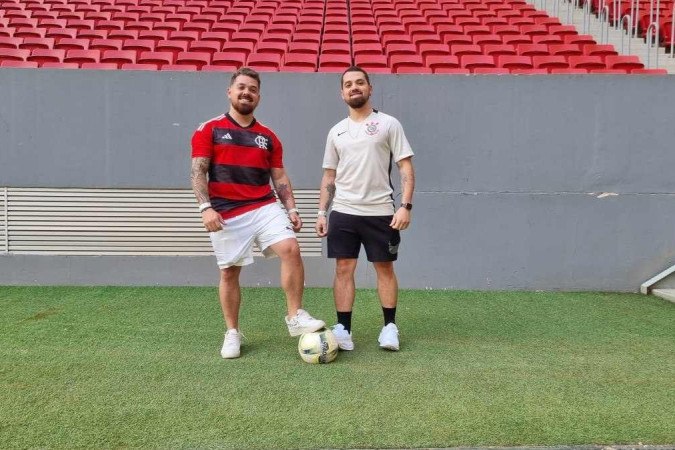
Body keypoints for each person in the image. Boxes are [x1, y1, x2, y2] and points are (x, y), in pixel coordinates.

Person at [191, 67, 325, 359]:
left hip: (264, 204)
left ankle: (295, 316)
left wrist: (291, 209)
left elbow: (279, 177)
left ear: (259, 97)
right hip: (226, 211)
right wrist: (205, 208)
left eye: (252, 89)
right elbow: (198, 171)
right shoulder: (209, 129)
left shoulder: (268, 137)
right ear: (230, 92)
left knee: (291, 248)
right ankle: (232, 332)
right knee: (229, 273)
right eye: (241, 87)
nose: (246, 93)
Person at [316, 66, 415, 352]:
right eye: (348, 84)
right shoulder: (336, 131)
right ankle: (344, 330)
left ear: (370, 88)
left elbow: (405, 167)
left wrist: (405, 206)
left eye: (360, 82)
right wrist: (322, 212)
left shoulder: (388, 124)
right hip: (344, 212)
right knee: (343, 268)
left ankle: (389, 328)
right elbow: (329, 176)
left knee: (384, 268)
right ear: (342, 93)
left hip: (381, 211)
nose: (354, 87)